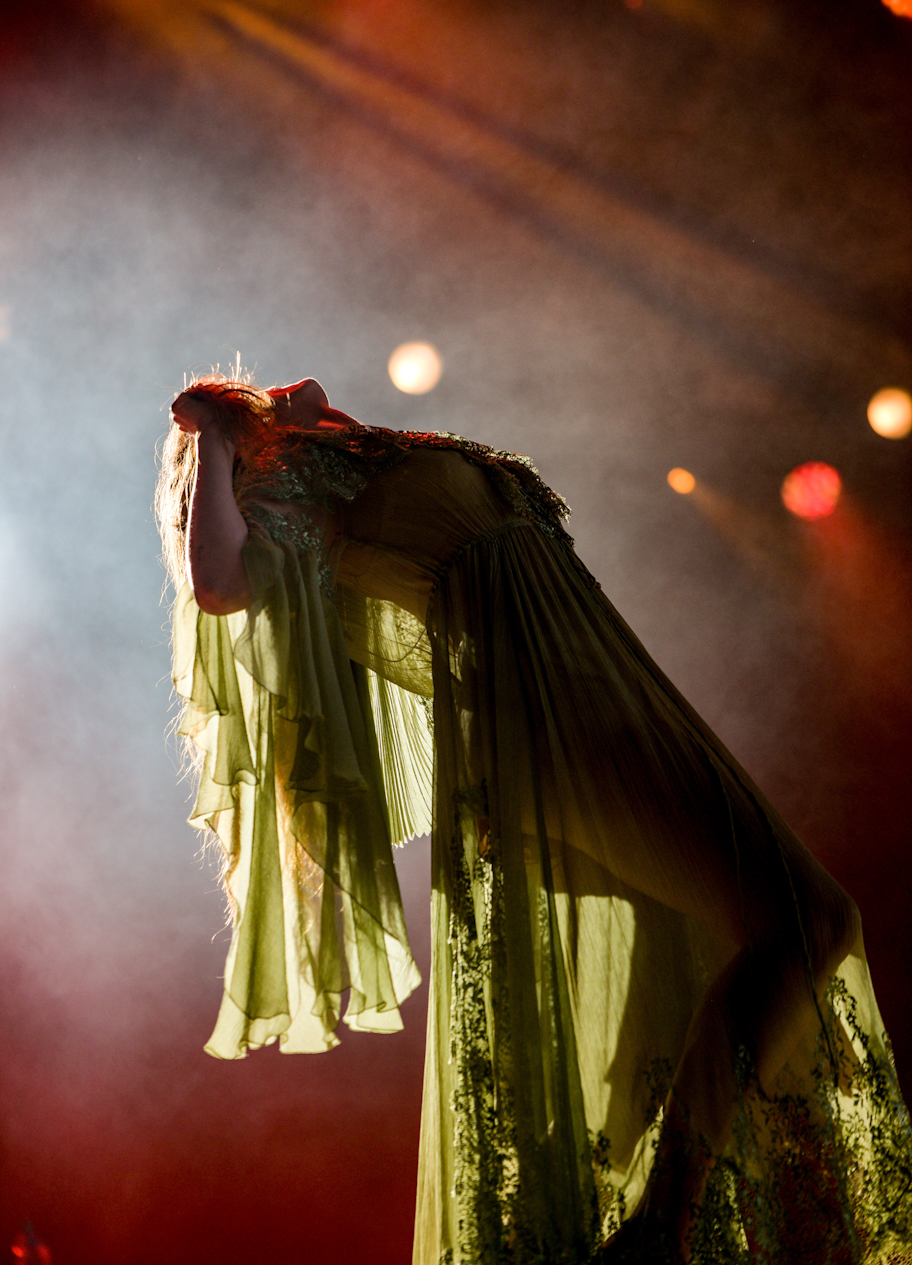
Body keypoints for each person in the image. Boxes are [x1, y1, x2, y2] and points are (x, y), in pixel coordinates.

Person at [157, 372, 912, 1265]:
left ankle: (649, 1220)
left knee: (716, 956)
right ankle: (659, 1228)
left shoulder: (351, 459)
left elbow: (336, 422)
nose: (270, 391)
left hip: (603, 694)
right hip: (546, 718)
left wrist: (302, 413)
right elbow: (217, 587)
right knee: (805, 921)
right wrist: (208, 432)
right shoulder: (279, 494)